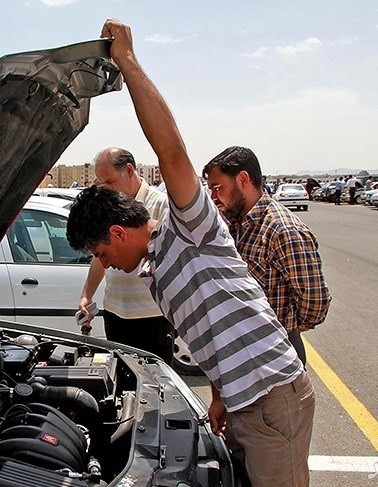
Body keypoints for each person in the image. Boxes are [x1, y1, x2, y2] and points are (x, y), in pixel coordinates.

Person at [67, 20, 314, 486]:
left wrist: (127, 61)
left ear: (119, 233)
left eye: (101, 251)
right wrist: (219, 395)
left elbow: (172, 152)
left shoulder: (190, 226)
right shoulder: (155, 270)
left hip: (272, 398)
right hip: (244, 400)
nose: (105, 263)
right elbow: (216, 333)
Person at [202, 147, 330, 366]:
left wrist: (285, 327)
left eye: (217, 188)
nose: (213, 197)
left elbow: (314, 302)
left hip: (276, 352)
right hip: (242, 347)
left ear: (243, 179)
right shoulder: (235, 224)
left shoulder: (283, 230)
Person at [77, 147, 173, 362]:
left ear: (129, 170)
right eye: (101, 184)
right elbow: (99, 255)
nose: (106, 189)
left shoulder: (161, 204)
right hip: (115, 311)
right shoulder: (107, 209)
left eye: (109, 182)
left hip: (152, 315)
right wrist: (87, 295)